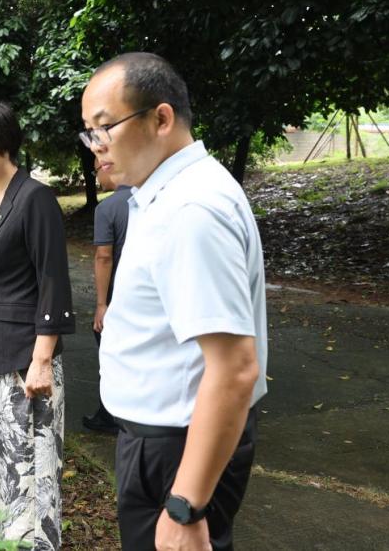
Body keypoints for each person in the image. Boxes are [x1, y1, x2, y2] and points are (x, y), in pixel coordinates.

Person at [80, 52, 268, 551]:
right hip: (161, 442)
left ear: (161, 118)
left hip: (177, 449)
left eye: (104, 128)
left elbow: (235, 369)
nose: (96, 146)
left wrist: (186, 505)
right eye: (89, 133)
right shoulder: (163, 195)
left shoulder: (191, 209)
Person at [0, 102, 74, 551]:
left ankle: (29, 544)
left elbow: (52, 282)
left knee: (25, 463)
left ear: (3, 142)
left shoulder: (34, 198)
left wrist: (42, 360)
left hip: (24, 362)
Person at [82, 162, 132, 435]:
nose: (95, 176)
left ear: (107, 167)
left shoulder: (108, 208)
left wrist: (102, 304)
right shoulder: (153, 198)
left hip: (118, 296)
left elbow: (104, 256)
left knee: (112, 356)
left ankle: (112, 415)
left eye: (95, 170)